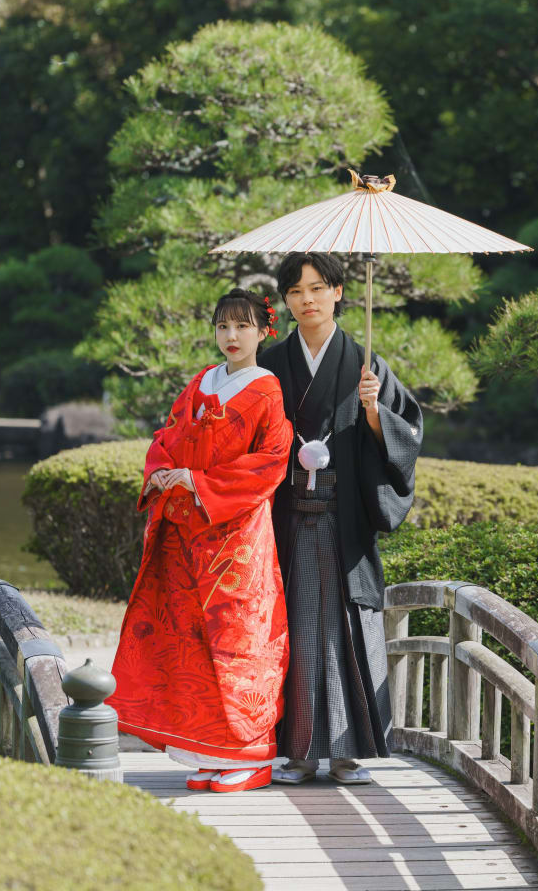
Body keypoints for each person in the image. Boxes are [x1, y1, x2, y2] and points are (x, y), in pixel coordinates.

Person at [108, 288, 293, 794]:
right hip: (188, 532)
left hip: (236, 535)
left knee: (237, 638)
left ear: (263, 332)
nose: (231, 337)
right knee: (189, 640)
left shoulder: (267, 389)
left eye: (243, 326)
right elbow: (166, 437)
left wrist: (200, 482)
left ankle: (250, 755)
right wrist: (166, 472)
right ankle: (207, 750)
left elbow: (271, 460)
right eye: (222, 326)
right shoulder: (201, 383)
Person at [258, 252, 423, 785]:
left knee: (349, 627)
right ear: (285, 302)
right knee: (296, 628)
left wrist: (374, 410)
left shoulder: (364, 363)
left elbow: (407, 434)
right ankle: (299, 751)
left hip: (343, 514)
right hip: (287, 515)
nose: (307, 299)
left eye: (317, 288)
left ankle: (351, 752)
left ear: (338, 293)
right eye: (295, 291)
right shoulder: (273, 362)